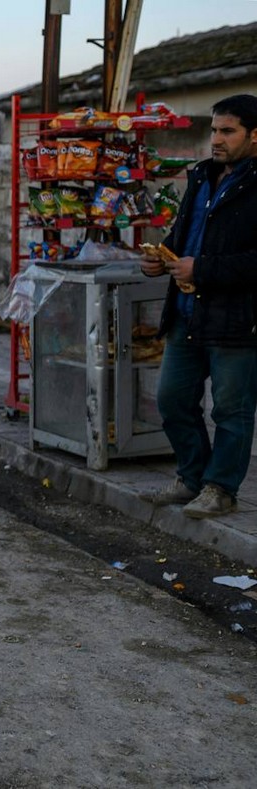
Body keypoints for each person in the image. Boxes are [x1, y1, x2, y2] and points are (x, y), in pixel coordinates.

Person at [140, 94, 257, 519]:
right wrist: (162, 258)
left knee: (231, 408)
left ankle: (221, 488)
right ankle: (192, 478)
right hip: (187, 315)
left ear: (255, 135)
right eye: (214, 130)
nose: (216, 139)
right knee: (171, 398)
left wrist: (201, 269)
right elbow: (184, 236)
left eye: (228, 131)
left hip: (236, 319)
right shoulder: (202, 177)